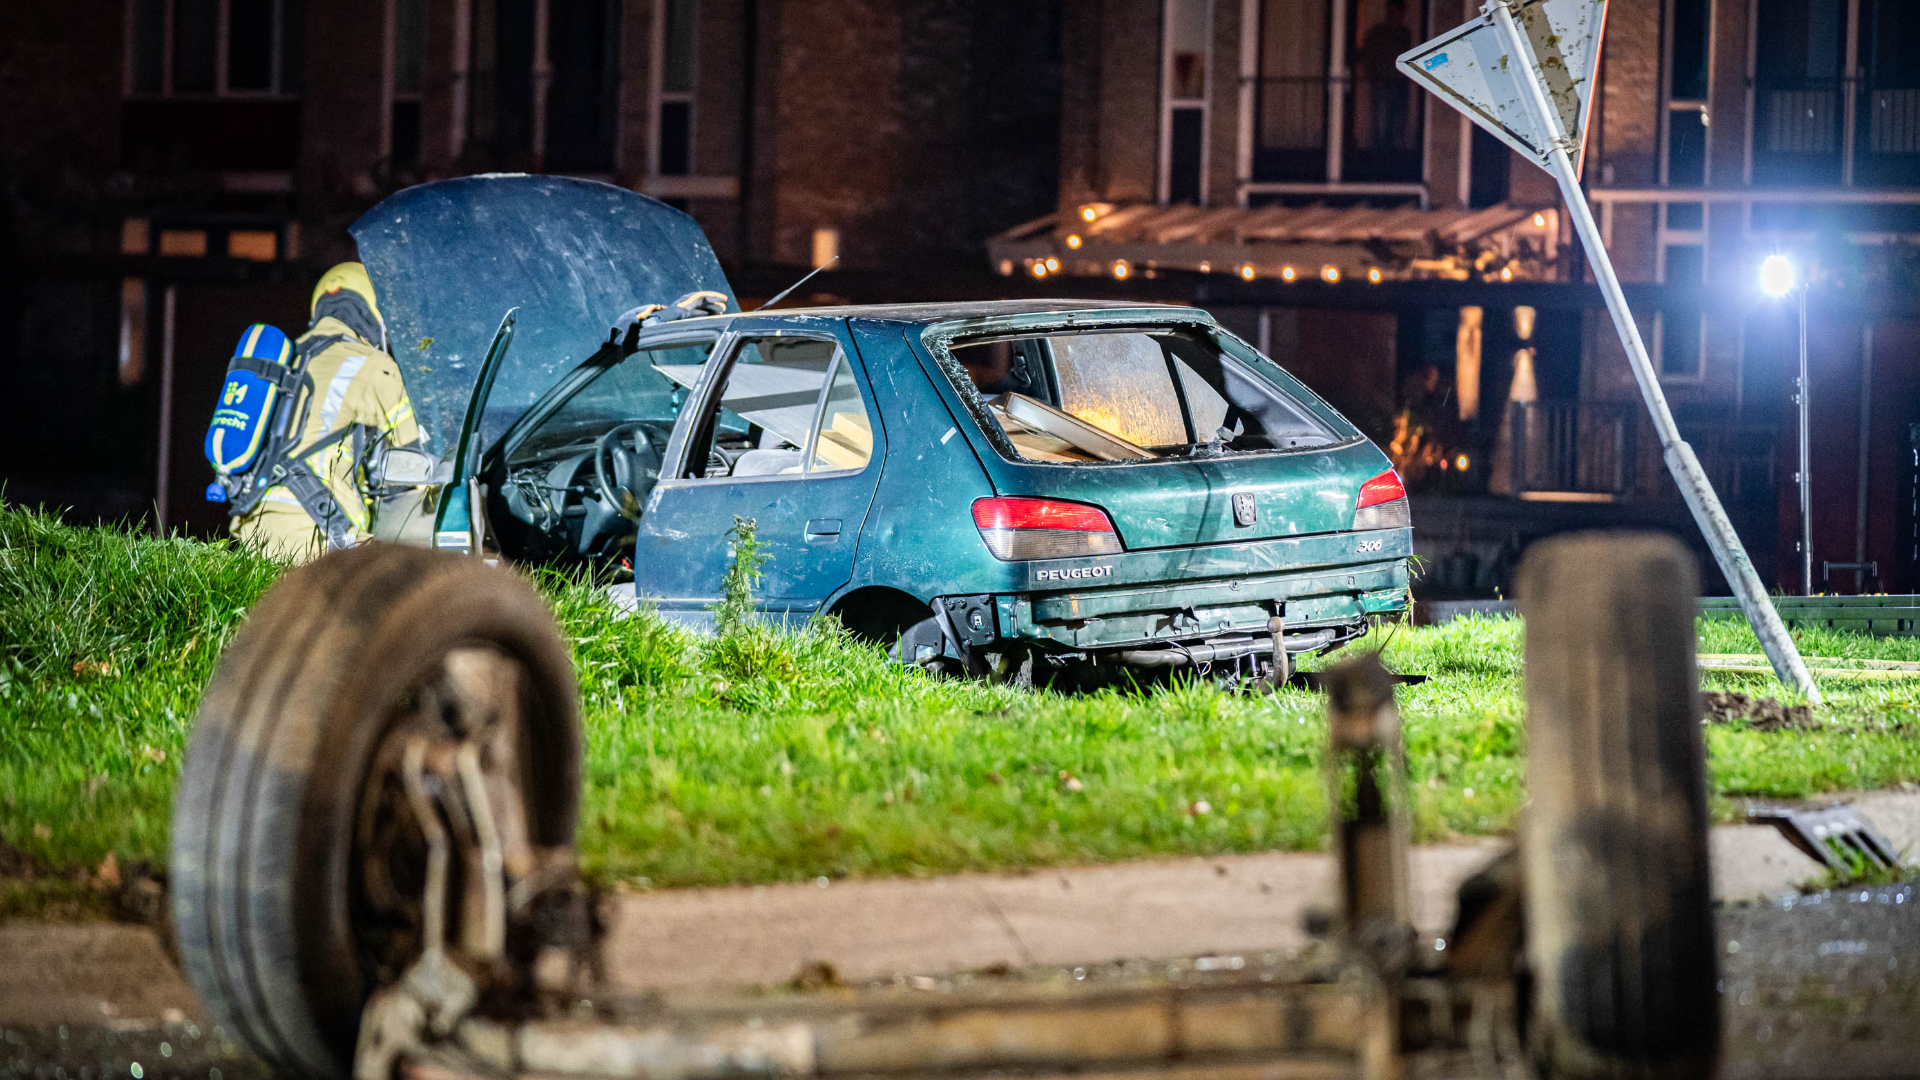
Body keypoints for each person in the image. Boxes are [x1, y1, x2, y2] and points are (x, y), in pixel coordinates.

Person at [231, 262, 421, 562]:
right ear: (375, 313)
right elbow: (418, 459)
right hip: (319, 537)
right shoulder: (372, 364)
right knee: (422, 580)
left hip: (252, 530)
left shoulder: (286, 361)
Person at [1359, 0, 1413, 151]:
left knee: (1396, 115)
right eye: (1391, 12)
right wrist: (1373, 75)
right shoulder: (1378, 33)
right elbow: (1369, 54)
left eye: (1396, 13)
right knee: (1379, 115)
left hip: (1399, 82)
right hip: (1381, 80)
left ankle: (1393, 145)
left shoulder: (1405, 35)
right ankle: (1379, 146)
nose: (1393, 16)